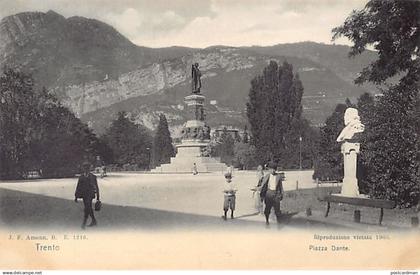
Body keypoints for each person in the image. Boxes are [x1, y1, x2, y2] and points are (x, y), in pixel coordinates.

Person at [75, 161, 100, 229]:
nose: (86, 169)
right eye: (85, 168)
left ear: (89, 168)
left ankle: (83, 223)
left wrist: (98, 197)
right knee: (88, 208)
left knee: (87, 207)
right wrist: (76, 196)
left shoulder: (93, 177)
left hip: (90, 194)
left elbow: (96, 186)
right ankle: (94, 220)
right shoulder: (81, 177)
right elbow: (78, 186)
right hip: (84, 195)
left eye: (87, 168)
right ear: (83, 168)